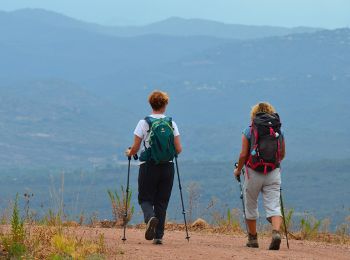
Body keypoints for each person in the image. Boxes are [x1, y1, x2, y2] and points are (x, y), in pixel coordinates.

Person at [125, 90, 182, 245]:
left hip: (149, 166)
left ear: (151, 104)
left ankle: (150, 217)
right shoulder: (171, 123)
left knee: (145, 198)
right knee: (162, 201)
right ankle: (158, 236)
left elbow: (135, 148)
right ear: (165, 104)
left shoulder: (144, 123)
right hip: (168, 167)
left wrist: (129, 152)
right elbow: (178, 149)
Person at [233, 102, 286, 250]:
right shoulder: (278, 130)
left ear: (254, 114)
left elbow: (243, 154)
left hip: (253, 172)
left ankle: (253, 238)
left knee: (250, 204)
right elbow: (282, 153)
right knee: (274, 205)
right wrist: (273, 164)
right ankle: (276, 233)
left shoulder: (249, 130)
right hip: (273, 171)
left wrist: (238, 170)